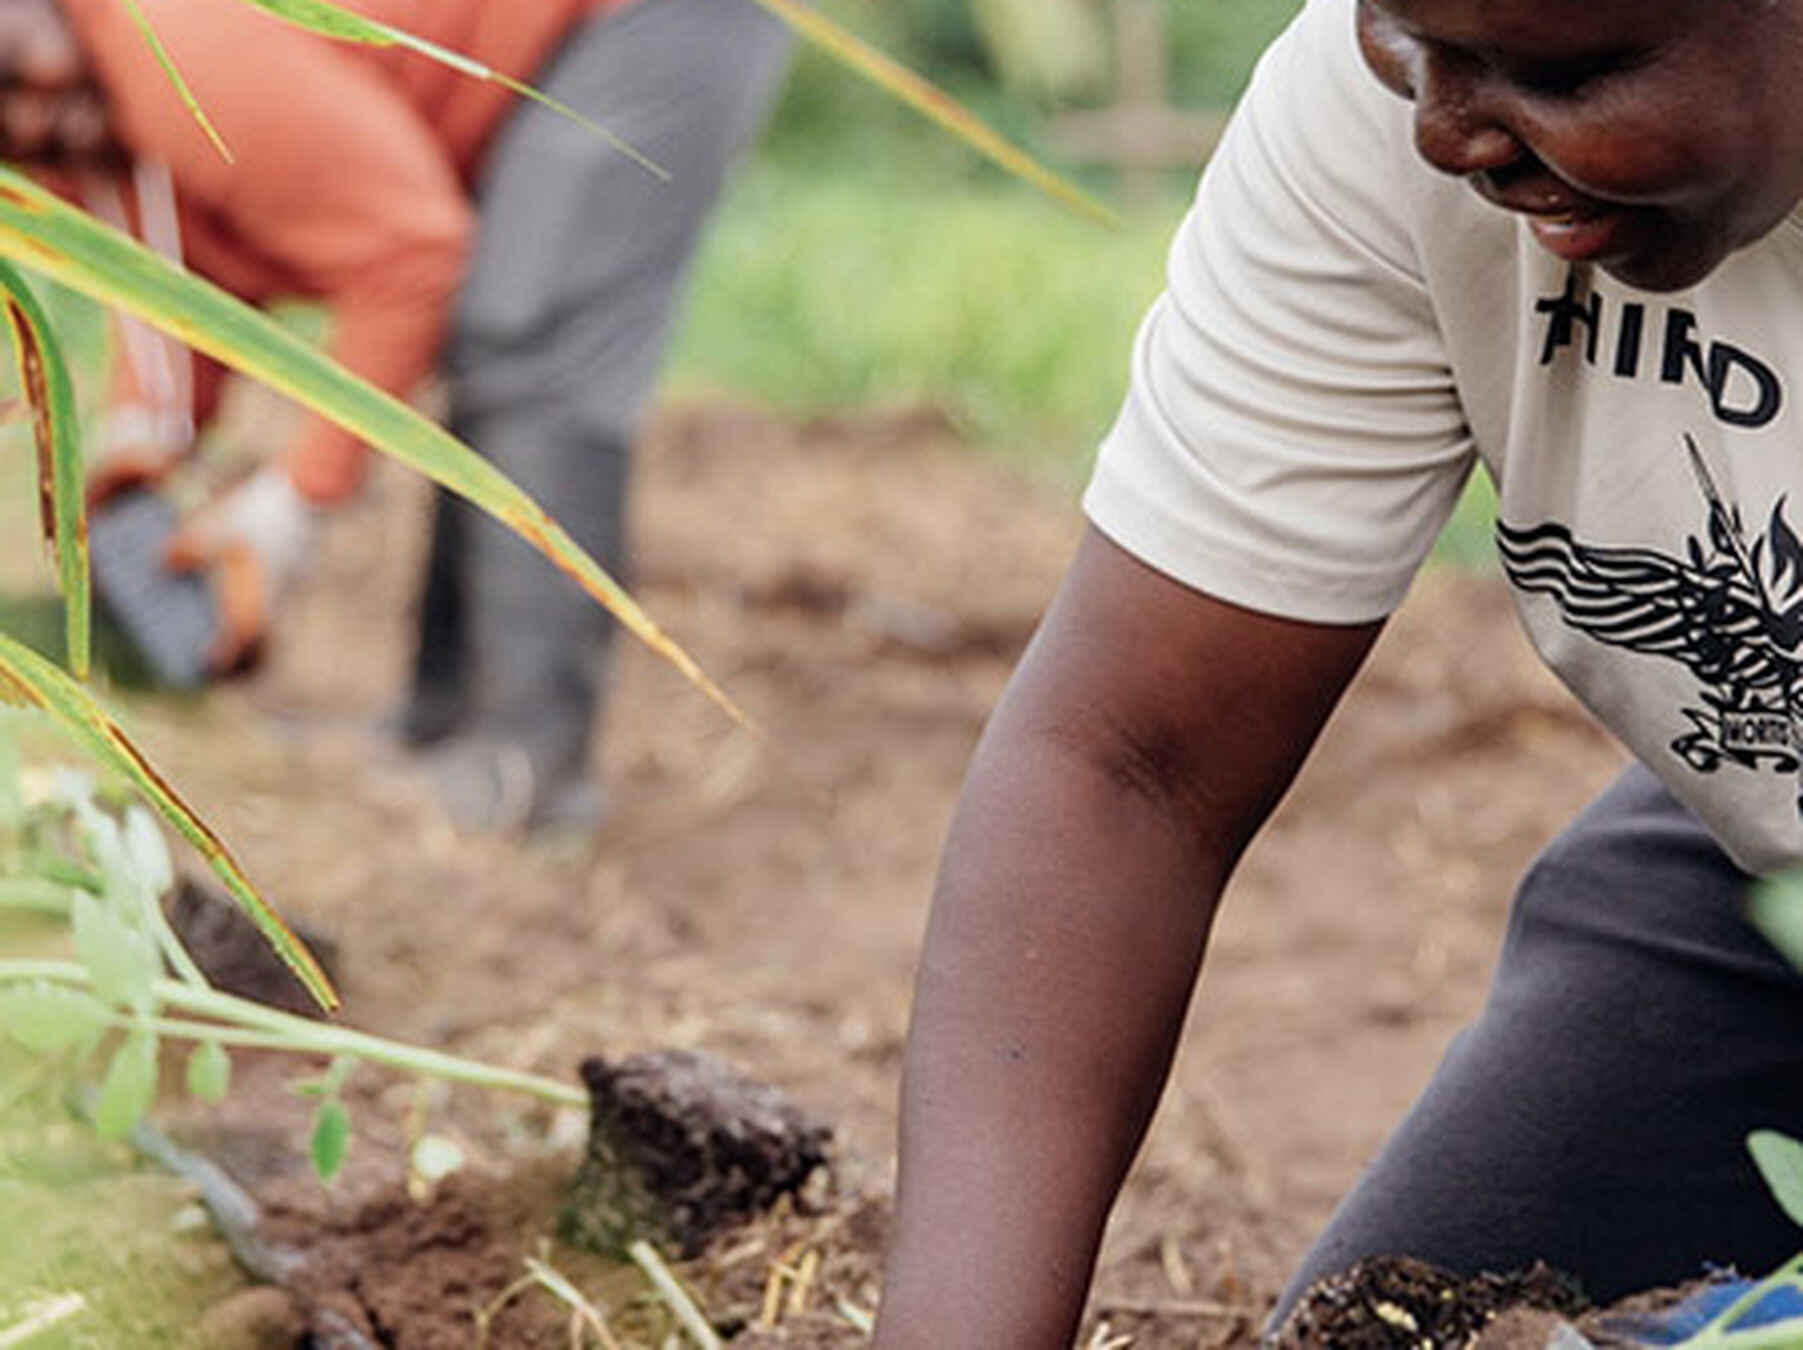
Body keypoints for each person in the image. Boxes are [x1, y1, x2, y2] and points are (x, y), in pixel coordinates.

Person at [869, 0, 1803, 1344]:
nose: (1439, 131)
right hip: (1754, 872)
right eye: (1399, 32)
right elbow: (1128, 762)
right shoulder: (1369, 130)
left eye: (1560, 74)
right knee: (1394, 1324)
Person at [20, 0, 793, 832]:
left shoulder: (170, 43)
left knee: (528, 347)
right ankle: (438, 729)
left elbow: (411, 256)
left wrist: (297, 499)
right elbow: (183, 267)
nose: (28, 115)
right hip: (545, 47)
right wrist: (142, 446)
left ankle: (523, 767)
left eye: (13, 72)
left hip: (637, 21)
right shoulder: (76, 119)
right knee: (498, 337)